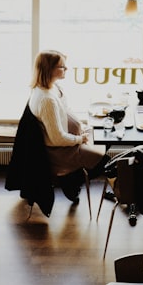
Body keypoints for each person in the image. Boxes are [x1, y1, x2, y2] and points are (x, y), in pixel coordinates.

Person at [27, 50, 106, 203]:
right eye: (62, 66)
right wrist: (79, 138)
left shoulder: (53, 87)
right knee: (104, 163)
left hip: (71, 140)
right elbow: (56, 139)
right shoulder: (46, 100)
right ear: (49, 69)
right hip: (61, 151)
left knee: (104, 137)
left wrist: (81, 127)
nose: (66, 69)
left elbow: (65, 112)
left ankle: (72, 180)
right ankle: (70, 181)